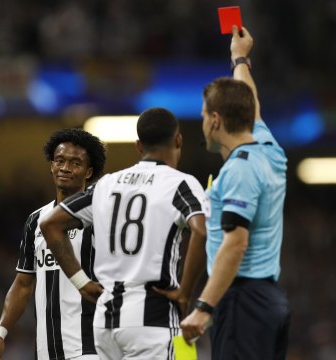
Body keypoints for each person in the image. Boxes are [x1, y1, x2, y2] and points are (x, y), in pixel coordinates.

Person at [38, 107, 208, 360]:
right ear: (179, 140)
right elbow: (202, 231)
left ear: (138, 146)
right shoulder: (180, 183)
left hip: (105, 323)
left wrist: (81, 283)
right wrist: (185, 293)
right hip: (152, 317)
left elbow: (50, 223)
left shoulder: (107, 183)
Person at [180, 26, 291, 359]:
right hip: (268, 300)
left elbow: (236, 242)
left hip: (243, 301)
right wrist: (239, 57)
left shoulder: (240, 170)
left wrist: (204, 306)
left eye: (202, 116)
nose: (201, 123)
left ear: (215, 120)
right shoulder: (269, 148)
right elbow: (250, 102)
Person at [0, 128, 107, 360]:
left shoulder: (100, 216)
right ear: (51, 165)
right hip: (46, 351)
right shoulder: (36, 220)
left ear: (89, 171)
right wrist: (0, 333)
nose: (65, 168)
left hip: (90, 347)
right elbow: (22, 284)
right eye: (59, 160)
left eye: (75, 163)